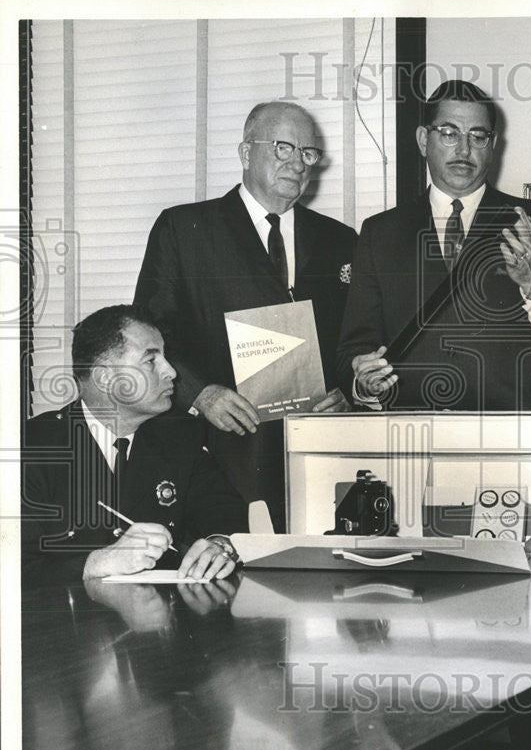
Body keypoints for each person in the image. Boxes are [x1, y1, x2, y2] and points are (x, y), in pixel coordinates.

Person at [134, 101, 356, 530]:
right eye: (282, 148)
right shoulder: (184, 229)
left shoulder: (340, 240)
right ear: (245, 153)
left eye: (308, 153)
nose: (297, 163)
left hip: (315, 454)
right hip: (219, 454)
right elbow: (151, 333)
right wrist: (200, 394)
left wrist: (345, 391)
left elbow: (356, 336)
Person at [336, 80, 531, 411]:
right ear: (424, 140)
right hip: (413, 438)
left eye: (478, 137)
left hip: (515, 439)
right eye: (449, 134)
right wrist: (364, 385)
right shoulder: (380, 233)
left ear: (493, 145)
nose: (464, 150)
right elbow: (354, 349)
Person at [22, 305, 248, 581]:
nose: (171, 372)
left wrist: (220, 543)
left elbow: (223, 508)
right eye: (151, 361)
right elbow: (14, 567)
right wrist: (95, 563)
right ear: (104, 377)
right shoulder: (32, 447)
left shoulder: (179, 438)